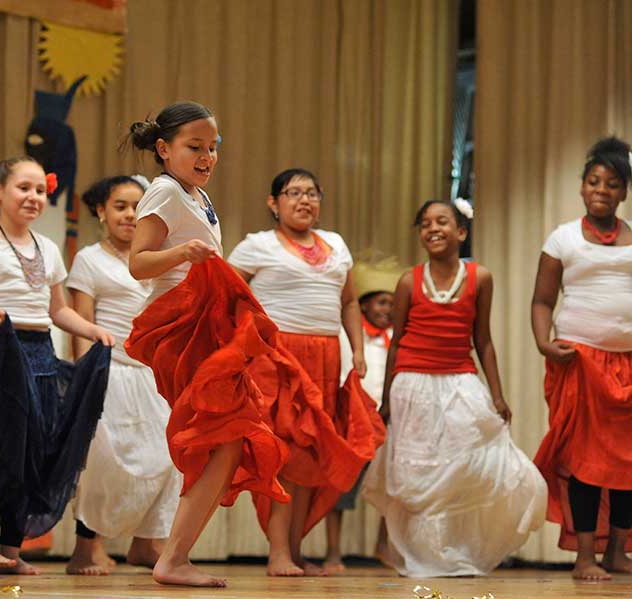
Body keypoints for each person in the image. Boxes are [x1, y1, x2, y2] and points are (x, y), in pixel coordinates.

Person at [124, 101, 293, 587]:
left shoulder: (194, 195)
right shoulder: (163, 191)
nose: (207, 156)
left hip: (202, 325)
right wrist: (182, 252)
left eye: (213, 147)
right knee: (225, 437)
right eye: (194, 146)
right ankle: (173, 558)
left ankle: (174, 556)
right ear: (163, 149)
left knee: (229, 440)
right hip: (181, 328)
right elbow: (138, 264)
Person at [0, 156, 113, 575]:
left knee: (35, 450)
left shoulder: (47, 248)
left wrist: (90, 329)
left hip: (39, 352)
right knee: (0, 449)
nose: (33, 198)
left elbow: (57, 310)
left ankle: (10, 550)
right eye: (23, 188)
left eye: (39, 191)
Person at [364, 198, 546, 577]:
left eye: (442, 221)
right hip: (412, 386)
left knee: (472, 461)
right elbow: (396, 342)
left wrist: (496, 395)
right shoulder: (407, 281)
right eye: (425, 223)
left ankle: (453, 549)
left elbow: (484, 341)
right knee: (418, 473)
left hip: (459, 379)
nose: (433, 228)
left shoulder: (480, 278)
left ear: (460, 232)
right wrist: (386, 401)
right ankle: (421, 554)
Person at [228, 169, 383, 577]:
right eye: (293, 192)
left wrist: (358, 352)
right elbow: (226, 296)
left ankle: (294, 551)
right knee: (281, 455)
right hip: (275, 360)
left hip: (327, 358)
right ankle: (278, 552)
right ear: (273, 202)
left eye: (311, 193)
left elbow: (350, 302)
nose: (303, 200)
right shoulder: (255, 246)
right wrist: (241, 349)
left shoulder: (336, 244)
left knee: (310, 460)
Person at [67, 175, 181, 575]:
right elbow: (80, 323)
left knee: (167, 458)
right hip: (109, 369)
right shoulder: (89, 259)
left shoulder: (158, 255)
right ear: (101, 211)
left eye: (138, 207)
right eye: (120, 206)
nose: (131, 214)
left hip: (154, 375)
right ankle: (86, 547)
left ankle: (147, 544)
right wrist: (86, 381)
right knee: (103, 461)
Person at [532, 136, 632, 580]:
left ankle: (618, 552)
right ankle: (585, 556)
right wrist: (543, 342)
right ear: (582, 188)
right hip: (580, 362)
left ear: (624, 192)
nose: (602, 190)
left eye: (612, 183)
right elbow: (542, 300)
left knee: (629, 460)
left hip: (627, 363)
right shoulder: (562, 238)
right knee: (585, 459)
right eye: (594, 181)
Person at [325, 259, 402, 572]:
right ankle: (333, 552)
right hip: (356, 420)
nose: (387, 309)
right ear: (366, 306)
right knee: (342, 487)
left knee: (391, 488)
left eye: (393, 304)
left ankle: (383, 547)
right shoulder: (352, 336)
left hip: (390, 421)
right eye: (382, 302)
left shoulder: (397, 337)